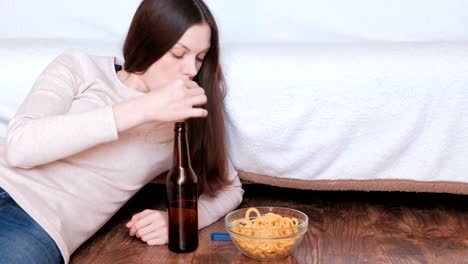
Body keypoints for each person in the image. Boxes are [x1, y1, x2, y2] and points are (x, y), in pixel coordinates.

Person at [0, 0, 244, 263]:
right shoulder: (80, 67)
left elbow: (230, 187)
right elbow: (19, 148)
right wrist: (143, 108)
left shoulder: (185, 118)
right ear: (148, 42)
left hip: (36, 225)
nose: (191, 70)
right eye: (178, 54)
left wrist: (180, 219)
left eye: (199, 58)